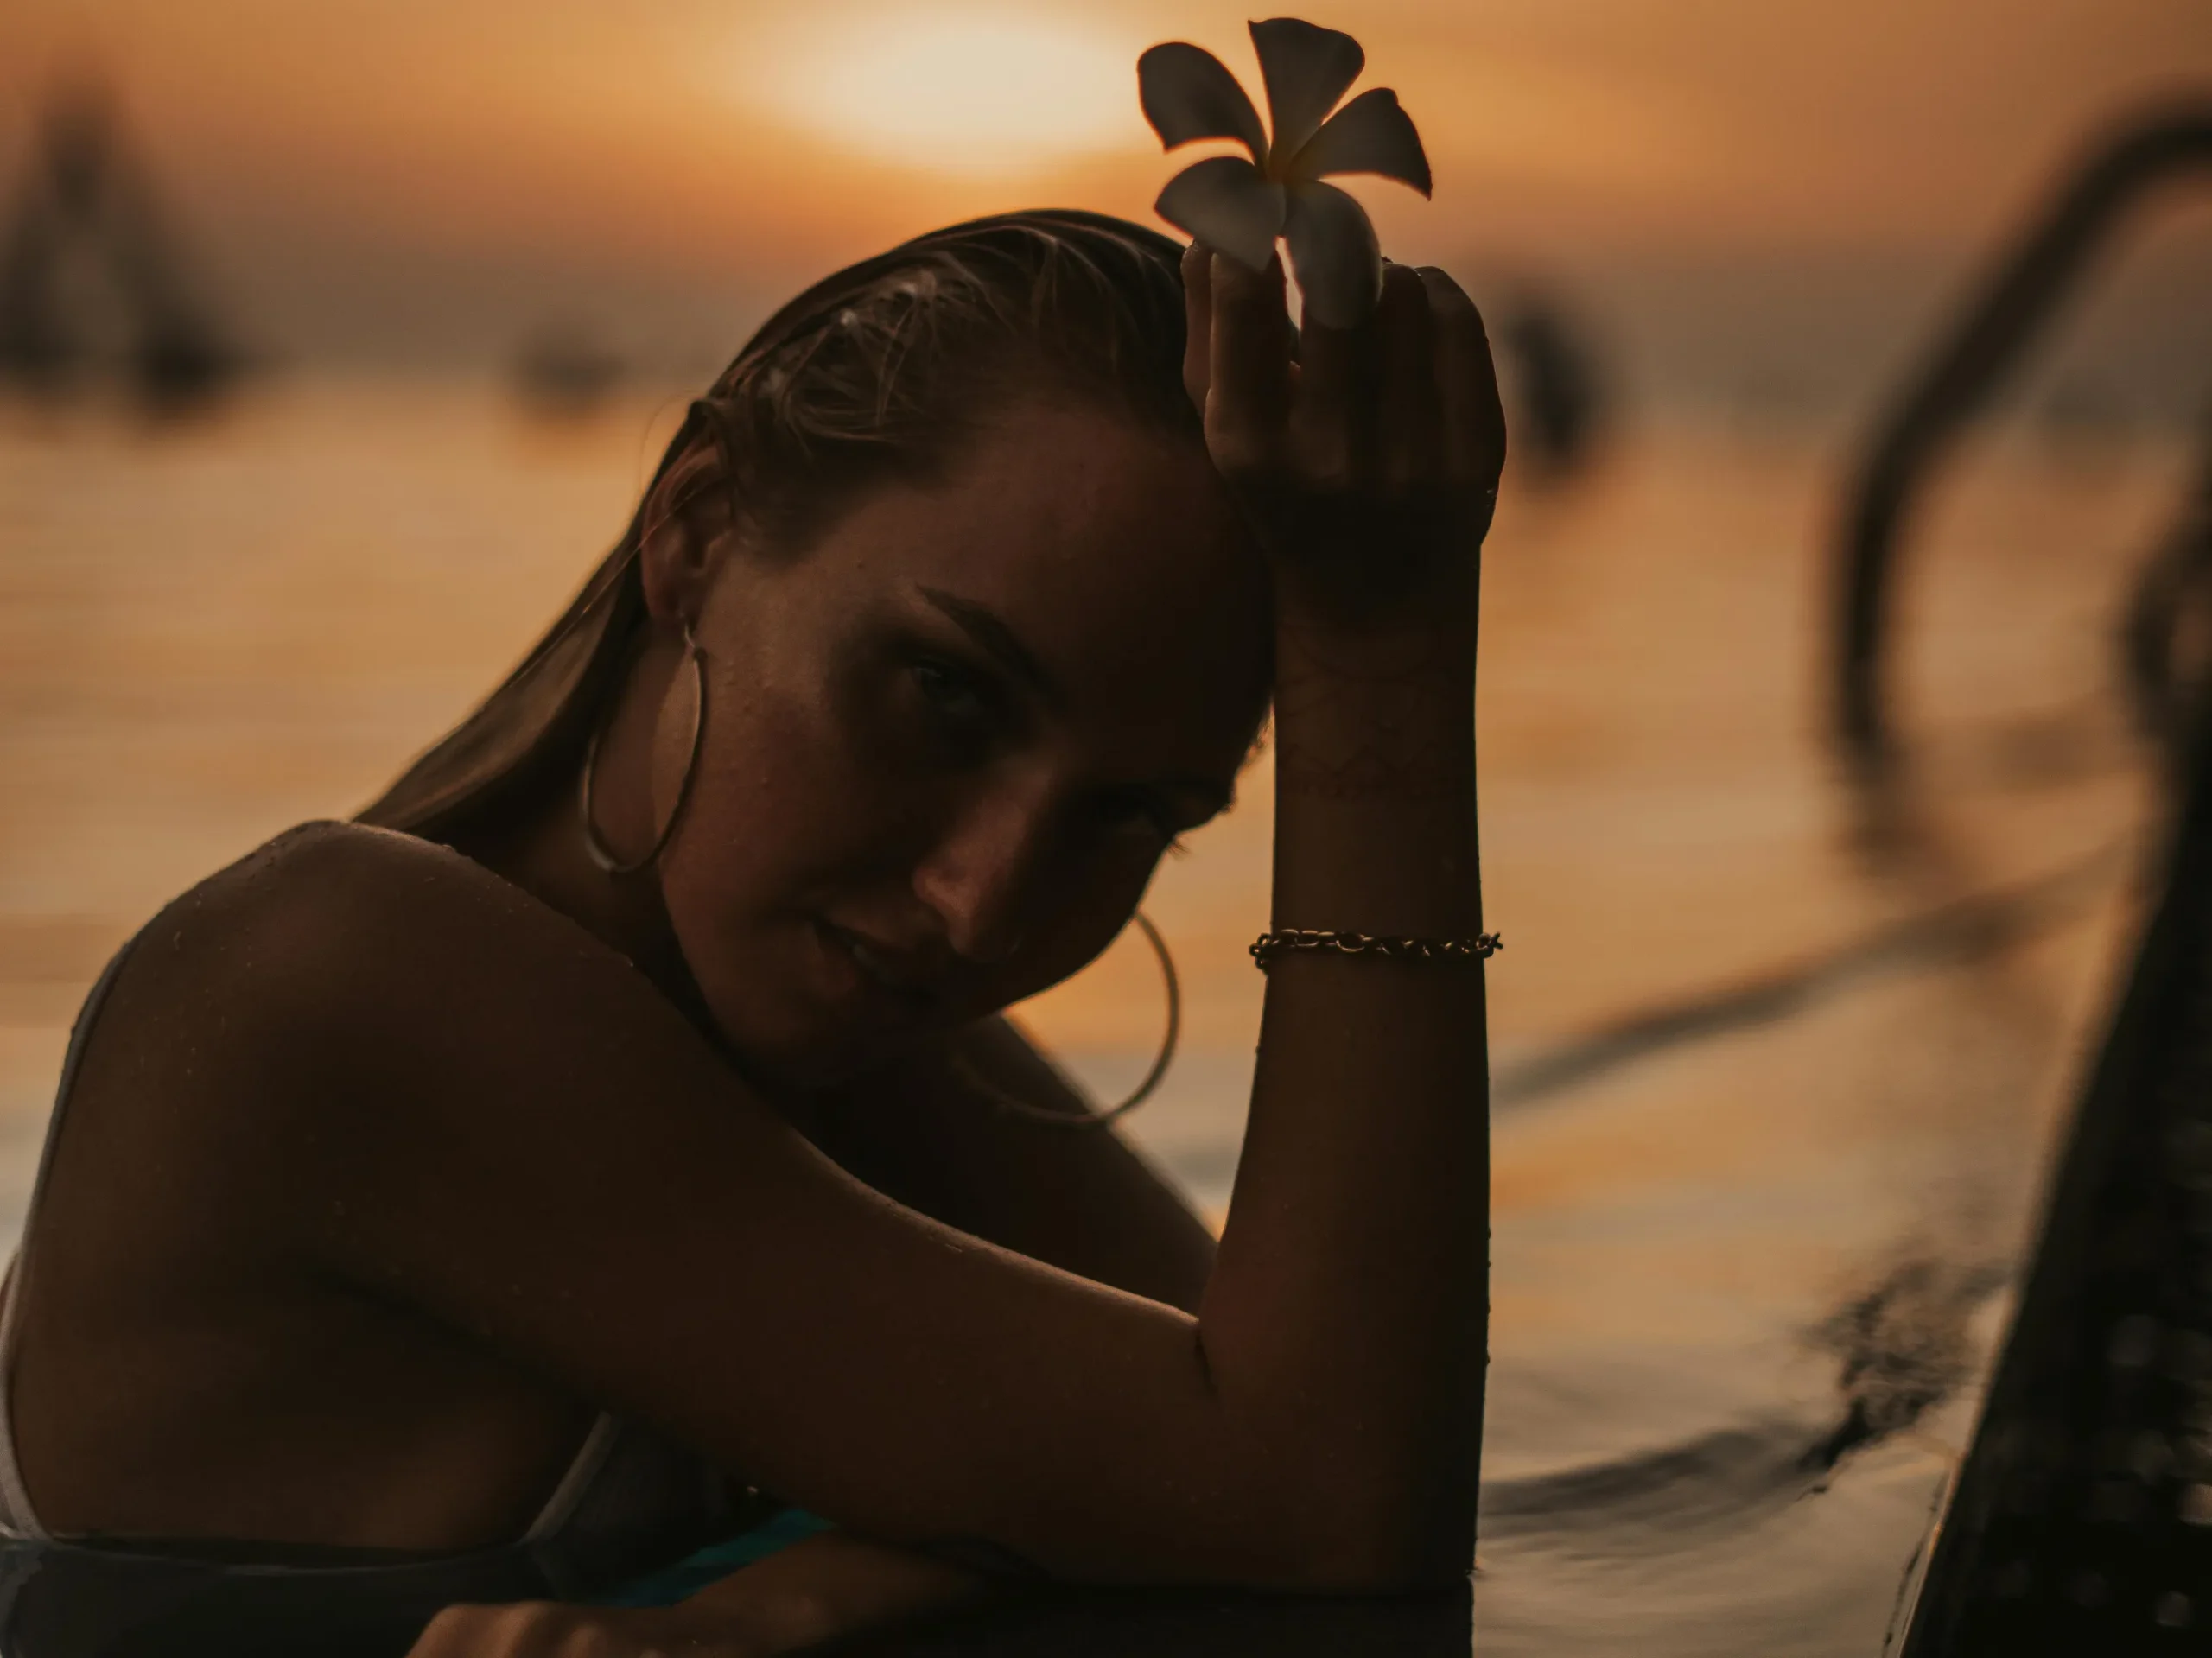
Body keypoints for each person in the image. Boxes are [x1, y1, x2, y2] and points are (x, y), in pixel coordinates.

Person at [0, 210, 1504, 1656]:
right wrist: (1384, 652)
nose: (981, 903)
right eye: (944, 694)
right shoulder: (340, 975)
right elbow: (1325, 1494)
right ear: (699, 531)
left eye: (1130, 817)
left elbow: (1305, 1422)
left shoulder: (815, 1001)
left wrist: (773, 1605)